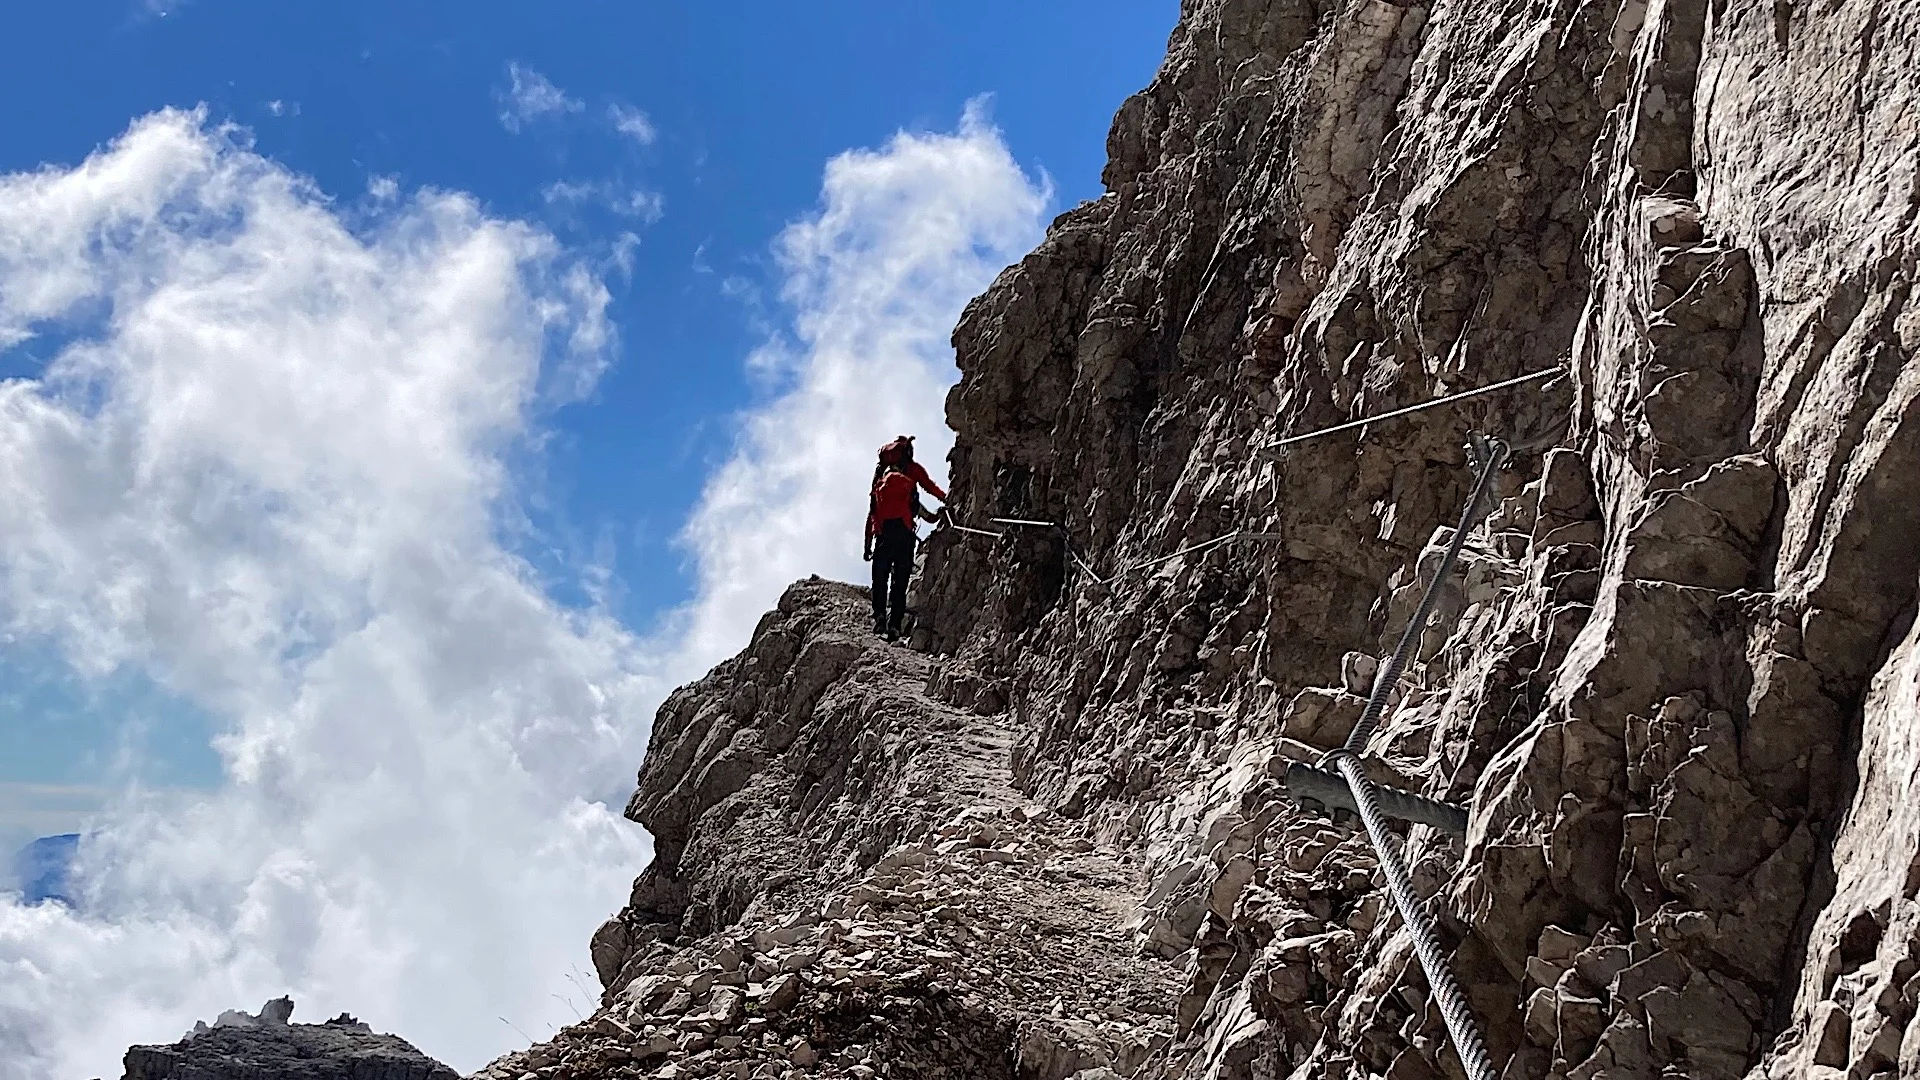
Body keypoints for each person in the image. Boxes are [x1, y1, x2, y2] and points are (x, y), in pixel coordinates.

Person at [864, 435, 947, 639]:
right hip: (904, 534)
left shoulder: (880, 477)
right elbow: (928, 487)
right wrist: (945, 500)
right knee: (900, 582)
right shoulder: (912, 471)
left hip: (883, 536)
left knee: (880, 579)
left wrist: (867, 546)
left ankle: (879, 617)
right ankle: (895, 625)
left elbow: (872, 511)